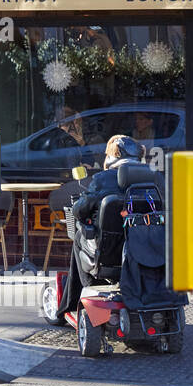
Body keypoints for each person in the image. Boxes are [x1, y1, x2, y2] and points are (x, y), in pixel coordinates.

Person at [56, 134, 148, 319]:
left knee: (79, 236)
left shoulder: (103, 179)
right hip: (146, 251)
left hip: (108, 253)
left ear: (114, 155)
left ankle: (85, 291)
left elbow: (79, 211)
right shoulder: (153, 178)